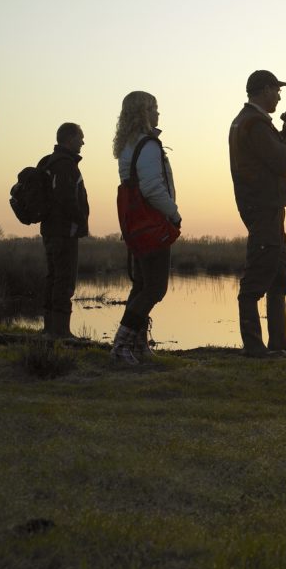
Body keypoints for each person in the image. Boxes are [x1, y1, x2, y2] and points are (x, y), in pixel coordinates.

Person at [229, 69, 286, 357]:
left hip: (265, 207)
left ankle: (278, 340)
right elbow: (280, 161)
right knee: (258, 277)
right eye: (276, 90)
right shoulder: (255, 124)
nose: (279, 95)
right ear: (264, 90)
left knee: (278, 274)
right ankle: (254, 347)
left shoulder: (248, 122)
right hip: (263, 208)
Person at [111, 92, 180, 365]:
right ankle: (122, 344)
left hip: (135, 224)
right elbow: (152, 187)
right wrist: (173, 214)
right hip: (152, 223)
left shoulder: (128, 146)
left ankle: (137, 345)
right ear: (143, 112)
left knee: (142, 284)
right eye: (154, 108)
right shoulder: (148, 145)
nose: (158, 114)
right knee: (155, 288)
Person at [39, 122, 90, 339]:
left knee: (54, 278)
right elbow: (66, 198)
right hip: (63, 231)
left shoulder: (49, 161)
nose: (83, 142)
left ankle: (50, 329)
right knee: (64, 280)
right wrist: (81, 219)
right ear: (70, 139)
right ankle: (61, 332)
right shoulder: (65, 164)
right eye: (80, 137)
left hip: (51, 230)